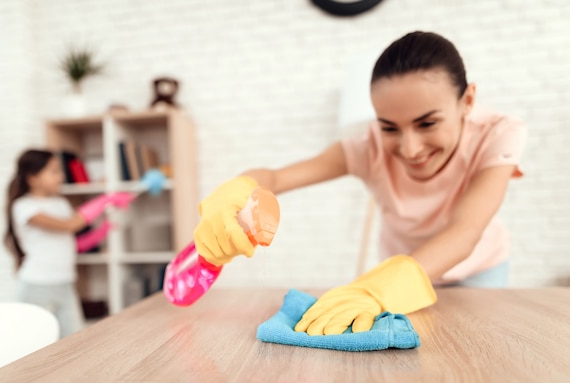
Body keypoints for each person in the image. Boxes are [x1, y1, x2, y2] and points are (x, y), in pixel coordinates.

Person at [193, 31, 526, 336]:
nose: (409, 149)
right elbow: (277, 178)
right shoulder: (368, 146)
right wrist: (235, 192)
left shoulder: (499, 134)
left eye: (427, 123)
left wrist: (376, 289)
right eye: (389, 127)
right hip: (395, 276)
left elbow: (464, 232)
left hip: (478, 271)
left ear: (467, 101)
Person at [4, 149, 132, 337]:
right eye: (54, 171)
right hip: (37, 285)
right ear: (33, 178)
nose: (61, 176)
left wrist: (99, 234)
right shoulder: (24, 207)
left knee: (72, 340)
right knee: (35, 342)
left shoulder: (60, 204)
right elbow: (68, 225)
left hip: (65, 283)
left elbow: (71, 245)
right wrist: (103, 201)